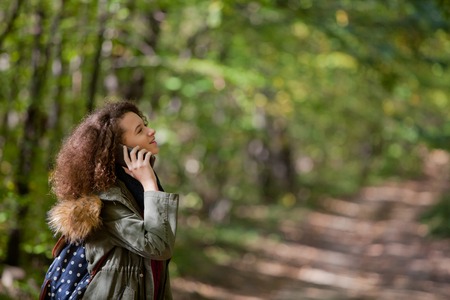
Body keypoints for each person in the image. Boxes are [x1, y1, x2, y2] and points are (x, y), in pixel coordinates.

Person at [47, 100, 179, 299]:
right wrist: (149, 183)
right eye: (140, 130)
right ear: (119, 149)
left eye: (145, 125)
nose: (151, 131)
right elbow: (158, 246)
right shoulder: (108, 201)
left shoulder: (134, 187)